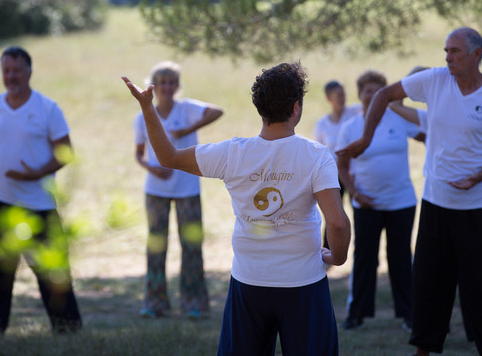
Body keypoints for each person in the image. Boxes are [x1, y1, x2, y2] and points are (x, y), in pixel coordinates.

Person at [123, 61, 351, 356]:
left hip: (248, 282)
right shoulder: (316, 156)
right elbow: (338, 223)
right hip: (303, 283)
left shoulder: (232, 153)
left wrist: (147, 107)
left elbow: (167, 157)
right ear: (296, 108)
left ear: (260, 107)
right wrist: (338, 257)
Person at [337, 27, 482, 355]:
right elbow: (383, 95)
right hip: (435, 205)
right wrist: (366, 139)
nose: (447, 57)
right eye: (445, 51)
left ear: (476, 54)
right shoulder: (435, 81)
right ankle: (423, 349)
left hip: (477, 209)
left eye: (454, 51)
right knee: (428, 285)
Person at [0, 46, 82, 334]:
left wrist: (34, 174)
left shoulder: (47, 108)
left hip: (39, 205)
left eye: (17, 70)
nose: (11, 76)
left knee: (53, 272)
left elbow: (65, 153)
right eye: (6, 71)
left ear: (29, 71)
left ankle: (67, 328)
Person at [133, 61, 223, 319]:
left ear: (177, 86)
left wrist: (187, 130)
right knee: (156, 245)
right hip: (156, 189)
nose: (167, 87)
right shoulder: (144, 115)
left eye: (172, 82)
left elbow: (217, 111)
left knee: (192, 246)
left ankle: (194, 303)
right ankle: (154, 303)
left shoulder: (187, 109)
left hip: (187, 187)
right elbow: (138, 154)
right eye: (162, 82)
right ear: (154, 85)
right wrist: (153, 169)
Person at [336, 70, 424, 332]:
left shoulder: (399, 119)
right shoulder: (350, 127)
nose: (371, 95)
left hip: (402, 202)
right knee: (365, 258)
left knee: (400, 258)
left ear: (384, 95)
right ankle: (357, 314)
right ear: (360, 94)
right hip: (366, 205)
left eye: (377, 90)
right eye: (366, 90)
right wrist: (356, 194)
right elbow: (341, 165)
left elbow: (430, 136)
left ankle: (409, 315)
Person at [313, 80, 361, 249]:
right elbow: (318, 151)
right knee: (332, 214)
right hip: (332, 175)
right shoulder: (322, 124)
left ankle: (358, 248)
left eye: (343, 94)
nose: (342, 98)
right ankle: (328, 249)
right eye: (338, 95)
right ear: (329, 98)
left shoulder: (356, 112)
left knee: (359, 212)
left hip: (354, 172)